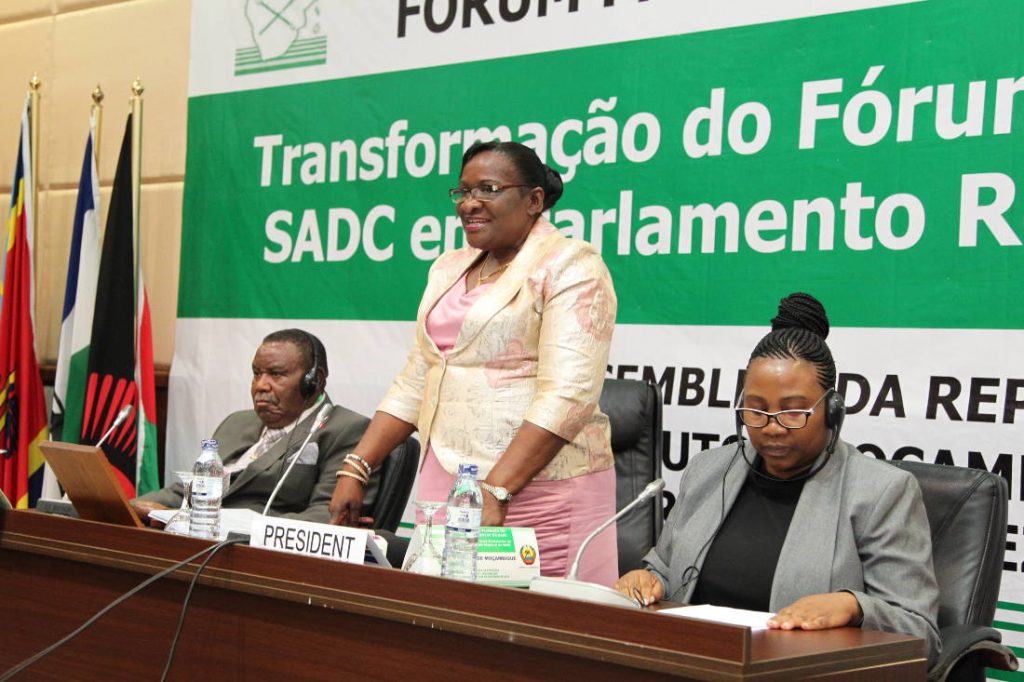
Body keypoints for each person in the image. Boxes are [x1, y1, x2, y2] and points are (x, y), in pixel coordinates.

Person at [329, 141, 619, 583]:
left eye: (488, 189)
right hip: (448, 482)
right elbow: (420, 375)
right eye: (462, 192)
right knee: (439, 624)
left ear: (533, 200)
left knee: (536, 636)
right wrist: (358, 465)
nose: (469, 204)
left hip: (538, 490)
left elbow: (569, 394)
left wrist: (498, 488)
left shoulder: (571, 264)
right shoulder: (448, 268)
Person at [615, 293, 941, 667]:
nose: (771, 427)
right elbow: (665, 568)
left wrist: (854, 606)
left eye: (793, 411)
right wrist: (644, 580)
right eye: (756, 410)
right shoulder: (709, 471)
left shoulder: (880, 492)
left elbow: (922, 636)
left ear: (832, 410)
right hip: (697, 665)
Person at [133, 329, 375, 524]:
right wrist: (129, 506)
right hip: (200, 541)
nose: (261, 385)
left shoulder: (347, 430)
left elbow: (327, 517)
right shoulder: (236, 422)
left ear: (315, 381)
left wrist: (219, 522)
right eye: (257, 373)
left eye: (276, 374)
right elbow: (191, 490)